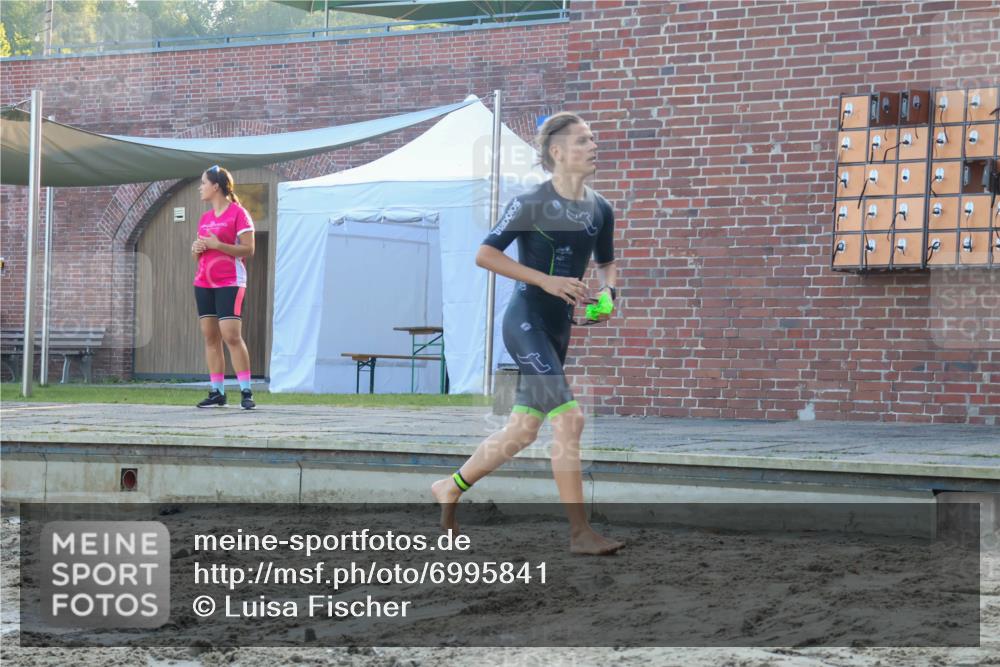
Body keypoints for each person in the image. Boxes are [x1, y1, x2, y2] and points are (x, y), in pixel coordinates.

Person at [431, 112, 623, 555]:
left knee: (521, 432)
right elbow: (484, 254)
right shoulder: (531, 202)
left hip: (558, 331)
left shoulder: (601, 207)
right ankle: (580, 534)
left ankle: (450, 486)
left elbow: (606, 262)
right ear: (557, 152)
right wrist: (545, 280)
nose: (593, 146)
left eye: (593, 139)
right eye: (583, 141)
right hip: (526, 323)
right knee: (571, 420)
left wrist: (609, 294)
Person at [190, 165, 256, 410]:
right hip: (203, 282)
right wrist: (197, 250)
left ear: (215, 186)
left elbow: (249, 250)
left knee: (231, 335)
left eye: (203, 183)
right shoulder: (204, 218)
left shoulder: (239, 213)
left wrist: (218, 244)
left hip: (230, 282)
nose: (200, 187)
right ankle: (217, 392)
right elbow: (202, 253)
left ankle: (246, 391)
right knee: (210, 336)